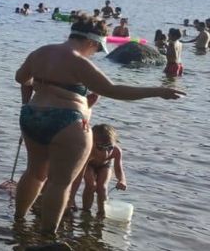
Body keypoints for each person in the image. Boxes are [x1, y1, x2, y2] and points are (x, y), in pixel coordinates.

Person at [13, 16, 183, 235]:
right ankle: (47, 236)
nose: (94, 53)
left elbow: (21, 78)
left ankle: (18, 223)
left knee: (35, 173)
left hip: (32, 116)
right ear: (92, 42)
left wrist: (32, 99)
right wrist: (157, 91)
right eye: (96, 49)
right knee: (59, 182)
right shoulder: (79, 62)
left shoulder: (40, 52)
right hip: (67, 122)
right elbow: (113, 90)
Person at [69, 124, 126, 214]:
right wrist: (71, 197)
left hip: (105, 165)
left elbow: (118, 168)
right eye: (100, 147)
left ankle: (102, 212)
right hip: (89, 165)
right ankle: (86, 211)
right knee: (91, 185)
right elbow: (78, 178)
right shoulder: (88, 151)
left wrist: (122, 180)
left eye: (109, 147)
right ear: (92, 142)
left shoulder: (116, 151)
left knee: (102, 188)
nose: (106, 153)